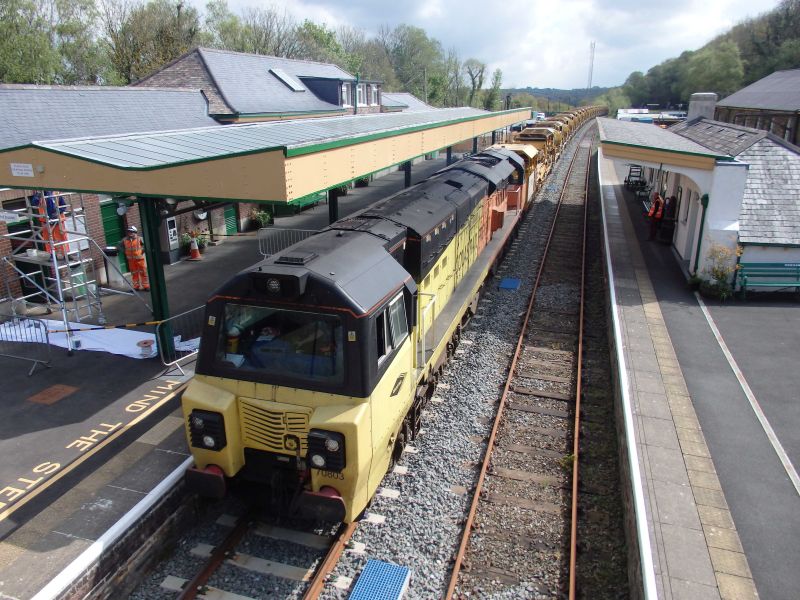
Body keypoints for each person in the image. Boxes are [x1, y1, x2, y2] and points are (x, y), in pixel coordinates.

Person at [122, 225, 149, 290]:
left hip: (140, 260)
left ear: (135, 232)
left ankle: (146, 286)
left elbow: (146, 245)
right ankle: (136, 286)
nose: (130, 233)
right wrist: (124, 251)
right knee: (134, 274)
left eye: (131, 232)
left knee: (143, 272)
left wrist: (142, 251)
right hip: (131, 261)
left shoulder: (139, 239)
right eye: (129, 232)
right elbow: (119, 246)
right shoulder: (125, 240)